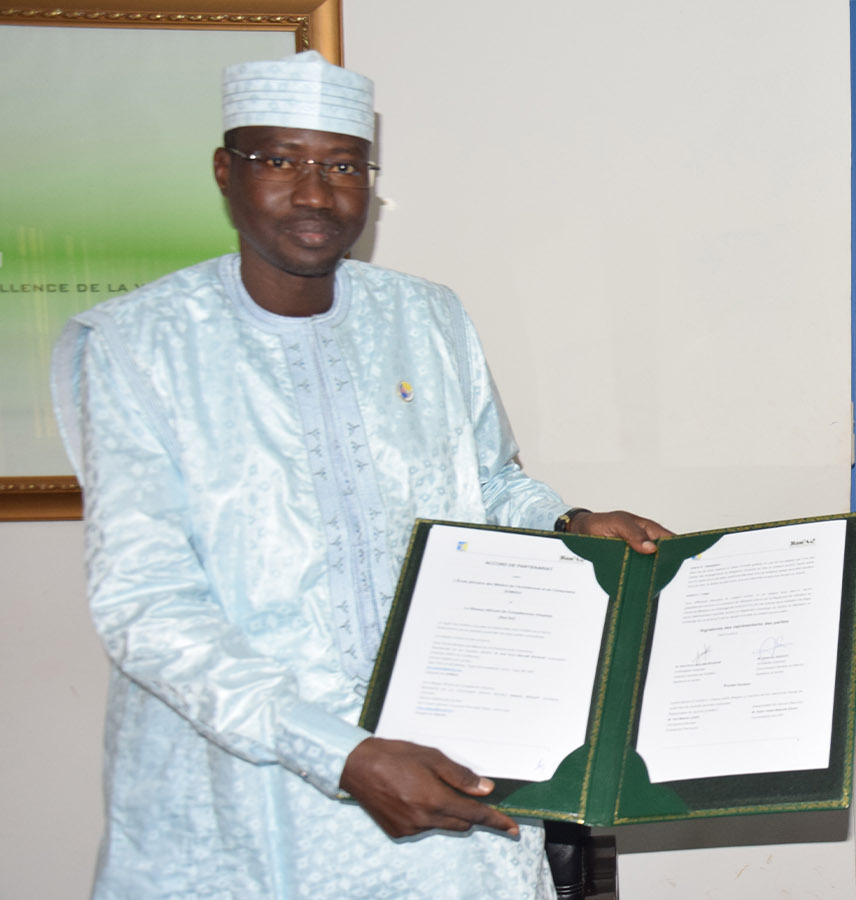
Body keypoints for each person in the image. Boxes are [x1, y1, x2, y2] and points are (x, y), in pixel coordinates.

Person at [51, 50, 668, 899]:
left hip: (441, 747)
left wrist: (570, 526)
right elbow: (147, 606)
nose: (314, 193)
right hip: (246, 780)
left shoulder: (426, 317)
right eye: (281, 161)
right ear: (226, 172)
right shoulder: (140, 347)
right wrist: (340, 753)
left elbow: (486, 484)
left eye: (342, 166)